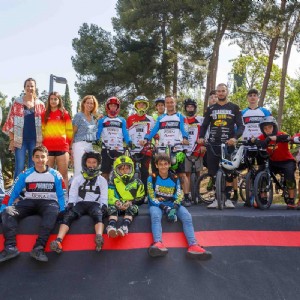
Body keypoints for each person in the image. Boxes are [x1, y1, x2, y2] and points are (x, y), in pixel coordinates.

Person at [0, 145, 65, 263]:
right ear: (33, 158)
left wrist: (62, 210)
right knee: (7, 212)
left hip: (48, 203)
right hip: (29, 202)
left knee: (52, 213)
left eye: (43, 157)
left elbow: (62, 195)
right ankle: (10, 248)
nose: (40, 160)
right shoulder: (25, 174)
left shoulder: (56, 175)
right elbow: (12, 193)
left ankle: (38, 248)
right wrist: (3, 208)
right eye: (37, 157)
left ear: (47, 158)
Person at [147, 153, 212, 259]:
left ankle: (193, 245)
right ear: (156, 165)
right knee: (155, 215)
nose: (163, 166)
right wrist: (165, 208)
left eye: (165, 164)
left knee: (187, 216)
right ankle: (157, 243)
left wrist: (175, 207)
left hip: (172, 204)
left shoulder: (174, 178)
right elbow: (151, 197)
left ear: (169, 165)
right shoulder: (152, 178)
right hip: (157, 205)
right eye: (161, 164)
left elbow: (178, 194)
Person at [50, 151, 108, 253]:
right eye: (89, 162)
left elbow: (104, 195)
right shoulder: (77, 179)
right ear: (84, 163)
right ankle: (58, 240)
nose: (91, 165)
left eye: (94, 162)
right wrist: (71, 203)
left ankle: (99, 237)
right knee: (68, 216)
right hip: (80, 204)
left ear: (98, 164)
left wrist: (104, 205)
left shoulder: (102, 180)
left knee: (98, 214)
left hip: (95, 204)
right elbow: (72, 193)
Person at [199, 83, 245, 209]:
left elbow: (241, 126)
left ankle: (228, 198)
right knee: (213, 172)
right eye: (218, 91)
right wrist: (201, 137)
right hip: (212, 144)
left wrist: (235, 138)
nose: (220, 93)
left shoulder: (234, 108)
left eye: (223, 91)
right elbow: (204, 126)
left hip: (228, 144)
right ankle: (215, 198)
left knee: (229, 172)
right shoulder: (210, 109)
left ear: (227, 92)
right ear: (216, 93)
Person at [142, 95, 189, 201]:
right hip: (163, 150)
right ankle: (157, 196)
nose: (169, 104)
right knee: (159, 173)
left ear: (175, 103)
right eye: (167, 103)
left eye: (171, 102)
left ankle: (186, 197)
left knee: (182, 174)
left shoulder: (180, 117)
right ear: (165, 104)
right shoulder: (161, 118)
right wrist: (146, 139)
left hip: (177, 149)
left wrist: (185, 138)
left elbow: (184, 129)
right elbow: (153, 130)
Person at [2, 78, 45, 179]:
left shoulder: (40, 104)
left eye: (32, 86)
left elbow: (45, 124)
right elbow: (10, 122)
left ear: (35, 88)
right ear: (24, 88)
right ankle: (16, 191)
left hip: (35, 140)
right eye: (28, 86)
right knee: (19, 166)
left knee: (32, 166)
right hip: (20, 140)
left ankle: (30, 190)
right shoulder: (17, 102)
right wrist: (12, 139)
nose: (30, 88)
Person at [256, 116, 296, 209]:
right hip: (272, 161)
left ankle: (291, 199)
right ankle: (262, 197)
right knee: (261, 172)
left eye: (270, 127)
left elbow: (288, 137)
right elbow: (254, 139)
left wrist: (271, 138)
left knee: (289, 176)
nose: (268, 130)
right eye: (265, 128)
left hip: (286, 161)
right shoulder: (262, 137)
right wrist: (255, 141)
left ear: (274, 127)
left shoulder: (281, 134)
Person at [106, 155, 145, 237]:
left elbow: (141, 198)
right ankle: (111, 226)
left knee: (133, 208)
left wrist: (131, 202)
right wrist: (116, 202)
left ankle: (124, 226)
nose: (125, 171)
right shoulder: (113, 181)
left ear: (131, 168)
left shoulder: (138, 182)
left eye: (127, 168)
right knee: (111, 208)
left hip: (129, 205)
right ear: (117, 170)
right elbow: (109, 196)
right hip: (117, 205)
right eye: (122, 169)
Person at [42, 92, 73, 189]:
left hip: (62, 148)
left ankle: (65, 199)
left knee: (63, 176)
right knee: (47, 176)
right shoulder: (44, 114)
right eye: (51, 99)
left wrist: (69, 147)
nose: (53, 101)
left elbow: (69, 132)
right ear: (49, 100)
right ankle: (48, 199)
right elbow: (42, 131)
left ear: (59, 101)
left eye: (55, 99)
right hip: (48, 149)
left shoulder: (65, 114)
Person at [96, 96, 132, 181]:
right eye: (111, 105)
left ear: (117, 107)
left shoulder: (122, 120)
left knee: (120, 171)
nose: (113, 107)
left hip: (118, 149)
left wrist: (129, 142)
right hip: (106, 149)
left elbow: (125, 134)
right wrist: (97, 141)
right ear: (107, 107)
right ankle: (105, 190)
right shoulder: (102, 120)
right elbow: (98, 133)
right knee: (105, 172)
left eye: (115, 106)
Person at [127, 95, 155, 193]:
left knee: (145, 171)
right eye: (139, 104)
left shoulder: (150, 119)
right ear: (136, 105)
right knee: (132, 171)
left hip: (146, 149)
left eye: (143, 104)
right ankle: (132, 192)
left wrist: (154, 139)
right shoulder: (130, 119)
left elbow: (154, 133)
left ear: (146, 106)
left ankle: (146, 193)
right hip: (133, 149)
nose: (141, 106)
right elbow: (126, 133)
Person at [183, 98, 206, 206]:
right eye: (188, 107)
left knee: (198, 172)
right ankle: (187, 194)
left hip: (198, 148)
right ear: (185, 108)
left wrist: (203, 145)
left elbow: (206, 132)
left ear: (195, 108)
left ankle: (197, 193)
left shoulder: (201, 119)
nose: (190, 108)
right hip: (186, 149)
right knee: (186, 173)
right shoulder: (183, 120)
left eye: (192, 106)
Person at [72, 95, 98, 177]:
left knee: (88, 170)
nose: (90, 105)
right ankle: (75, 189)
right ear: (83, 104)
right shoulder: (78, 116)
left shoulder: (93, 118)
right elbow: (73, 132)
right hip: (79, 144)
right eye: (88, 103)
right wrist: (70, 148)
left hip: (90, 145)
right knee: (79, 169)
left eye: (92, 103)